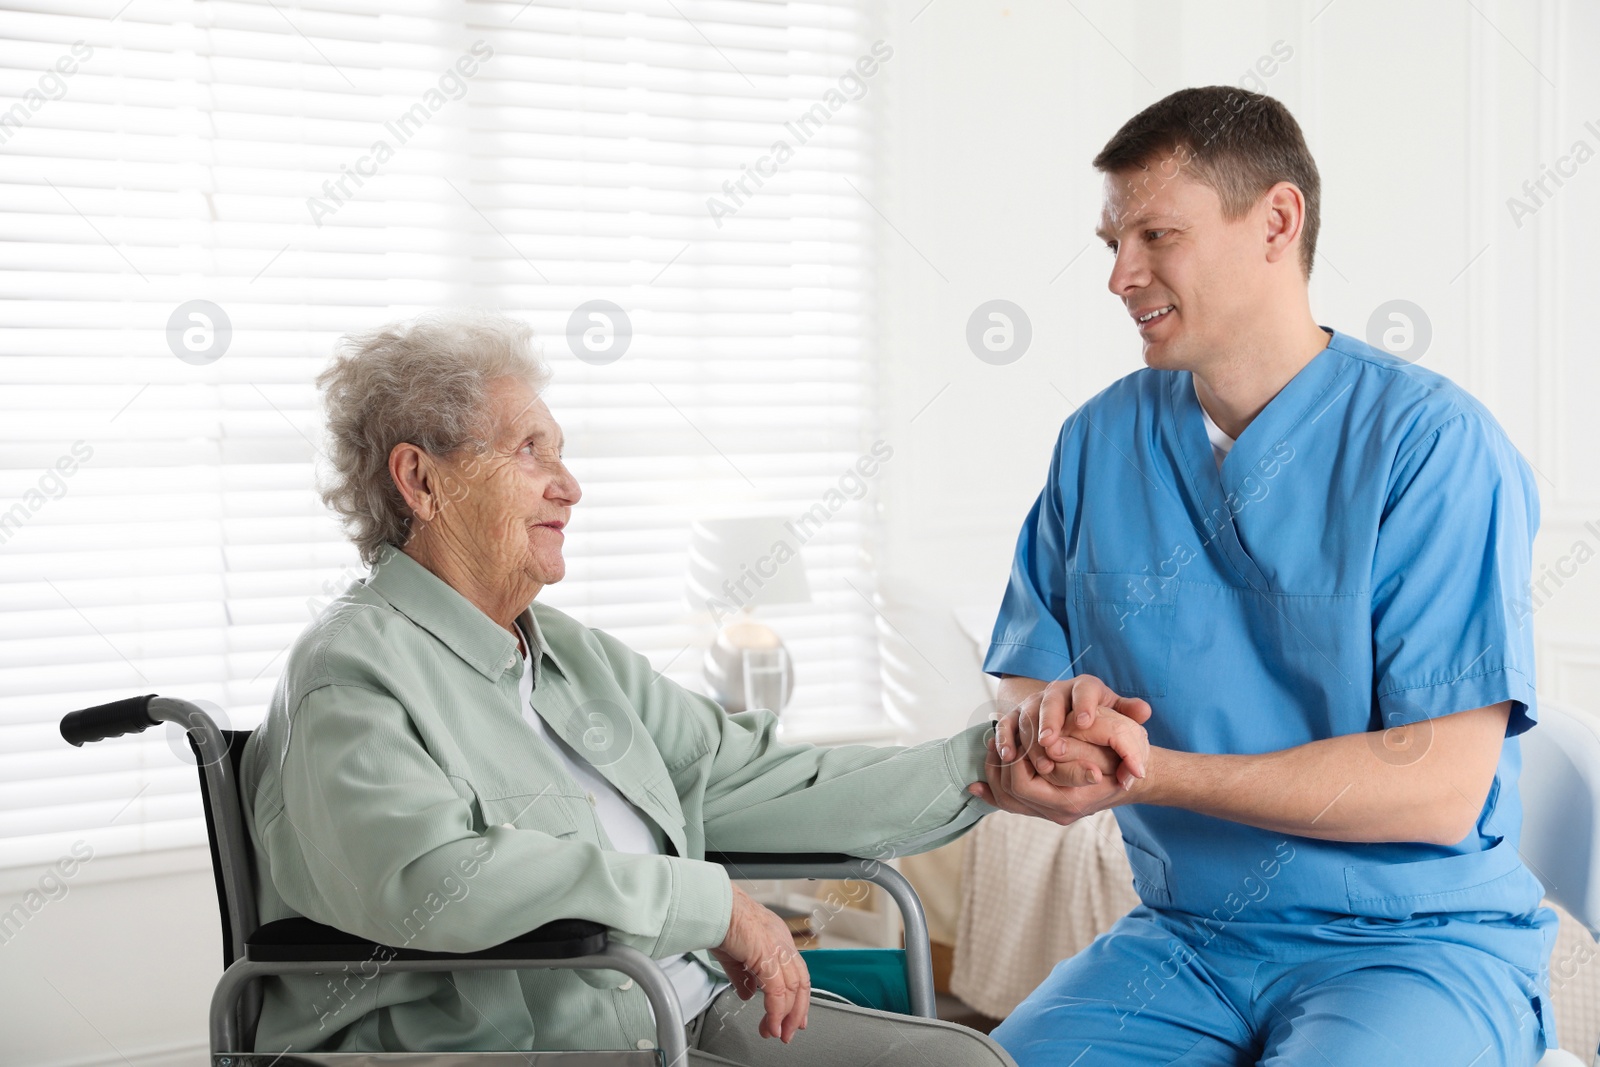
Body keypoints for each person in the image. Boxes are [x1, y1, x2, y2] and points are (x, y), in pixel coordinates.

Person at [238, 309, 1043, 1065]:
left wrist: (990, 761)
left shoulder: (575, 657)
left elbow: (758, 779)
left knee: (960, 1056)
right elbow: (431, 879)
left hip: (685, 1011)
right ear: (421, 479)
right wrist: (711, 905)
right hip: (524, 1042)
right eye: (529, 450)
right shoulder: (350, 672)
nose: (569, 485)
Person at [966, 86, 1558, 1066]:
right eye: (1111, 240)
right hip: (1187, 938)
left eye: (1155, 233)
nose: (1119, 273)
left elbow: (1441, 786)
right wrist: (1050, 718)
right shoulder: (1099, 439)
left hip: (1412, 945)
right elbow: (1024, 664)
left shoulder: (1431, 447)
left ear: (1276, 220)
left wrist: (1147, 772)